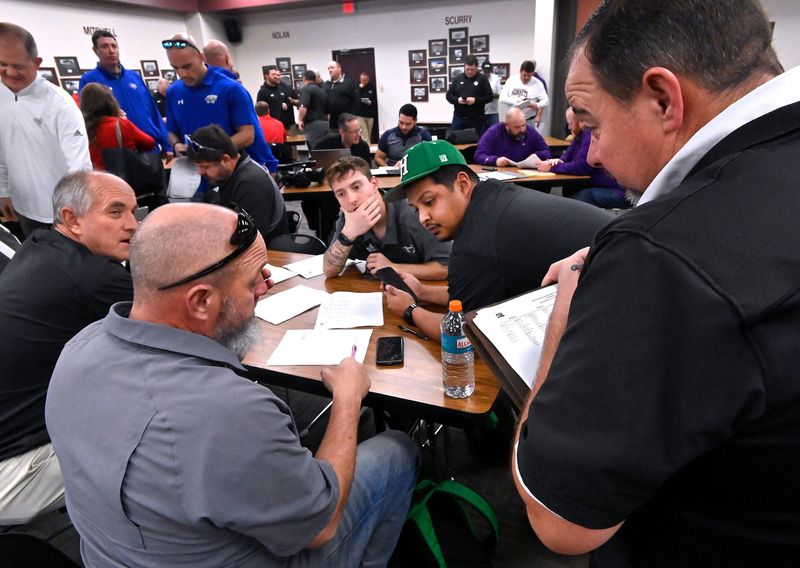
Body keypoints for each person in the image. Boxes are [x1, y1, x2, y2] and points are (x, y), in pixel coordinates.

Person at [512, 1, 800, 566]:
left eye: (590, 122)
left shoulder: (661, 256)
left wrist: (568, 310)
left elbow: (560, 520)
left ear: (664, 99)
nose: (591, 151)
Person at [46, 202, 419, 566]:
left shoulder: (78, 349)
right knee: (397, 451)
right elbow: (319, 526)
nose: (265, 288)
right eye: (254, 279)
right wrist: (348, 398)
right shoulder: (229, 411)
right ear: (201, 301)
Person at [0, 170, 136, 525]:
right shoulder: (93, 277)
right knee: (167, 438)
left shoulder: (40, 246)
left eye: (134, 212)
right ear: (71, 220)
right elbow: (180, 330)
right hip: (11, 470)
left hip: (11, 439)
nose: (133, 225)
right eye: (116, 212)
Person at [382, 140, 610, 342]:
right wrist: (422, 292)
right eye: (415, 209)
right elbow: (474, 296)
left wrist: (410, 310)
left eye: (429, 201)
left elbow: (465, 337)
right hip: (614, 276)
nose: (423, 217)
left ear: (462, 185)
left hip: (609, 313)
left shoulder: (476, 243)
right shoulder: (492, 197)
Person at [0, 23, 92, 236]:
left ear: (36, 62)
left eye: (19, 66)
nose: (11, 72)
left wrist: (73, 209)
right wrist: (3, 191)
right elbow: (2, 151)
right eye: (3, 64)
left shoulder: (60, 103)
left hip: (63, 214)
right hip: (23, 210)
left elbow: (80, 166)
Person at [161, 33, 277, 173]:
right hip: (194, 177)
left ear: (201, 58)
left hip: (228, 174)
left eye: (187, 66)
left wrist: (211, 152)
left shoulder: (230, 88)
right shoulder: (173, 92)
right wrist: (176, 144)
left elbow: (248, 135)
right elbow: (170, 131)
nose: (182, 73)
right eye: (175, 68)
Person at [324, 156, 451, 280]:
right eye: (341, 194)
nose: (352, 199)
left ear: (374, 184)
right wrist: (349, 233)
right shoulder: (349, 219)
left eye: (357, 187)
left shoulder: (413, 213)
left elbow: (447, 267)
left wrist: (393, 268)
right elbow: (329, 271)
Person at [187, 124, 288, 242]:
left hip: (267, 253)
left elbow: (247, 240)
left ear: (226, 160)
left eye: (205, 167)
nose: (200, 172)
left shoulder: (251, 184)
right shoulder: (224, 177)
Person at [79, 30, 171, 154]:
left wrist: (166, 144)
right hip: (117, 154)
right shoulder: (90, 80)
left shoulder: (134, 77)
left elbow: (153, 111)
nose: (111, 51)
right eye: (104, 46)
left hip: (150, 149)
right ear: (95, 50)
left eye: (114, 46)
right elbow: (88, 120)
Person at [536, 107, 627, 208]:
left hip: (615, 190)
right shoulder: (580, 136)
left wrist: (552, 168)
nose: (569, 128)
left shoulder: (589, 135)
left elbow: (582, 166)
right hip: (598, 186)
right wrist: (558, 161)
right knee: (569, 191)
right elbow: (567, 155)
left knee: (577, 199)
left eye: (570, 124)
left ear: (581, 122)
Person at [80, 83, 156, 171]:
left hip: (99, 180)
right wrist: (124, 121)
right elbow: (150, 143)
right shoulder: (121, 125)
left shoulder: (83, 131)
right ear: (109, 102)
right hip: (126, 179)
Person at [474, 107, 551, 166]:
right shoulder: (494, 132)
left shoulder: (529, 131)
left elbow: (546, 152)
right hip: (501, 175)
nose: (522, 130)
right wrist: (495, 160)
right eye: (517, 127)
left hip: (525, 174)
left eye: (523, 125)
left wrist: (536, 155)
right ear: (507, 125)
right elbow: (479, 155)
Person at [445, 55, 493, 136]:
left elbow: (489, 97)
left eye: (472, 69)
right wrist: (457, 100)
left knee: (477, 145)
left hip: (477, 120)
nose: (470, 72)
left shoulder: (483, 79)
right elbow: (448, 96)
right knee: (455, 143)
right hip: (459, 118)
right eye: (467, 69)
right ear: (464, 67)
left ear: (477, 67)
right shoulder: (457, 79)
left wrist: (475, 100)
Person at [499, 60, 549, 127]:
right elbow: (502, 98)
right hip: (512, 119)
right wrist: (517, 101)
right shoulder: (512, 80)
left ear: (533, 73)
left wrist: (537, 105)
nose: (526, 78)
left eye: (529, 76)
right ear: (520, 71)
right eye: (524, 75)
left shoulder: (538, 83)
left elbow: (546, 101)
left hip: (528, 120)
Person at [256, 65, 299, 132]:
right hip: (273, 127)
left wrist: (288, 104)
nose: (276, 76)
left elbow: (293, 101)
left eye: (277, 74)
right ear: (266, 76)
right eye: (273, 74)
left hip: (288, 126)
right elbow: (260, 110)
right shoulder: (263, 92)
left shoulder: (283, 87)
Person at [297, 69, 330, 150]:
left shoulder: (306, 89)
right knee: (325, 149)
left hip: (314, 125)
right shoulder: (322, 91)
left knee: (315, 150)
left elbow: (303, 107)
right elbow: (328, 111)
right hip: (326, 124)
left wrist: (300, 120)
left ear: (304, 79)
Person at [323, 60, 359, 131]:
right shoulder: (326, 84)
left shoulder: (350, 82)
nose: (330, 70)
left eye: (332, 68)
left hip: (346, 121)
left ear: (339, 68)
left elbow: (356, 101)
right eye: (328, 68)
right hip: (331, 122)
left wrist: (352, 117)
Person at [356, 72, 377, 143]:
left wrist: (371, 102)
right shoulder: (357, 87)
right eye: (362, 80)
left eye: (365, 80)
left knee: (369, 135)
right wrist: (360, 88)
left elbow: (376, 100)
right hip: (360, 115)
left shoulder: (372, 87)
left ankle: (368, 149)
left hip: (370, 114)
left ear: (368, 79)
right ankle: (367, 151)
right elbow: (355, 98)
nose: (363, 82)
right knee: (364, 135)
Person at [482, 60, 503, 128]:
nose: (487, 73)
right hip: (481, 112)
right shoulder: (479, 78)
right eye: (485, 71)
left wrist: (491, 94)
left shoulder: (496, 78)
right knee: (482, 134)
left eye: (488, 71)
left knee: (495, 133)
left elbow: (500, 95)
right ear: (482, 70)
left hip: (493, 112)